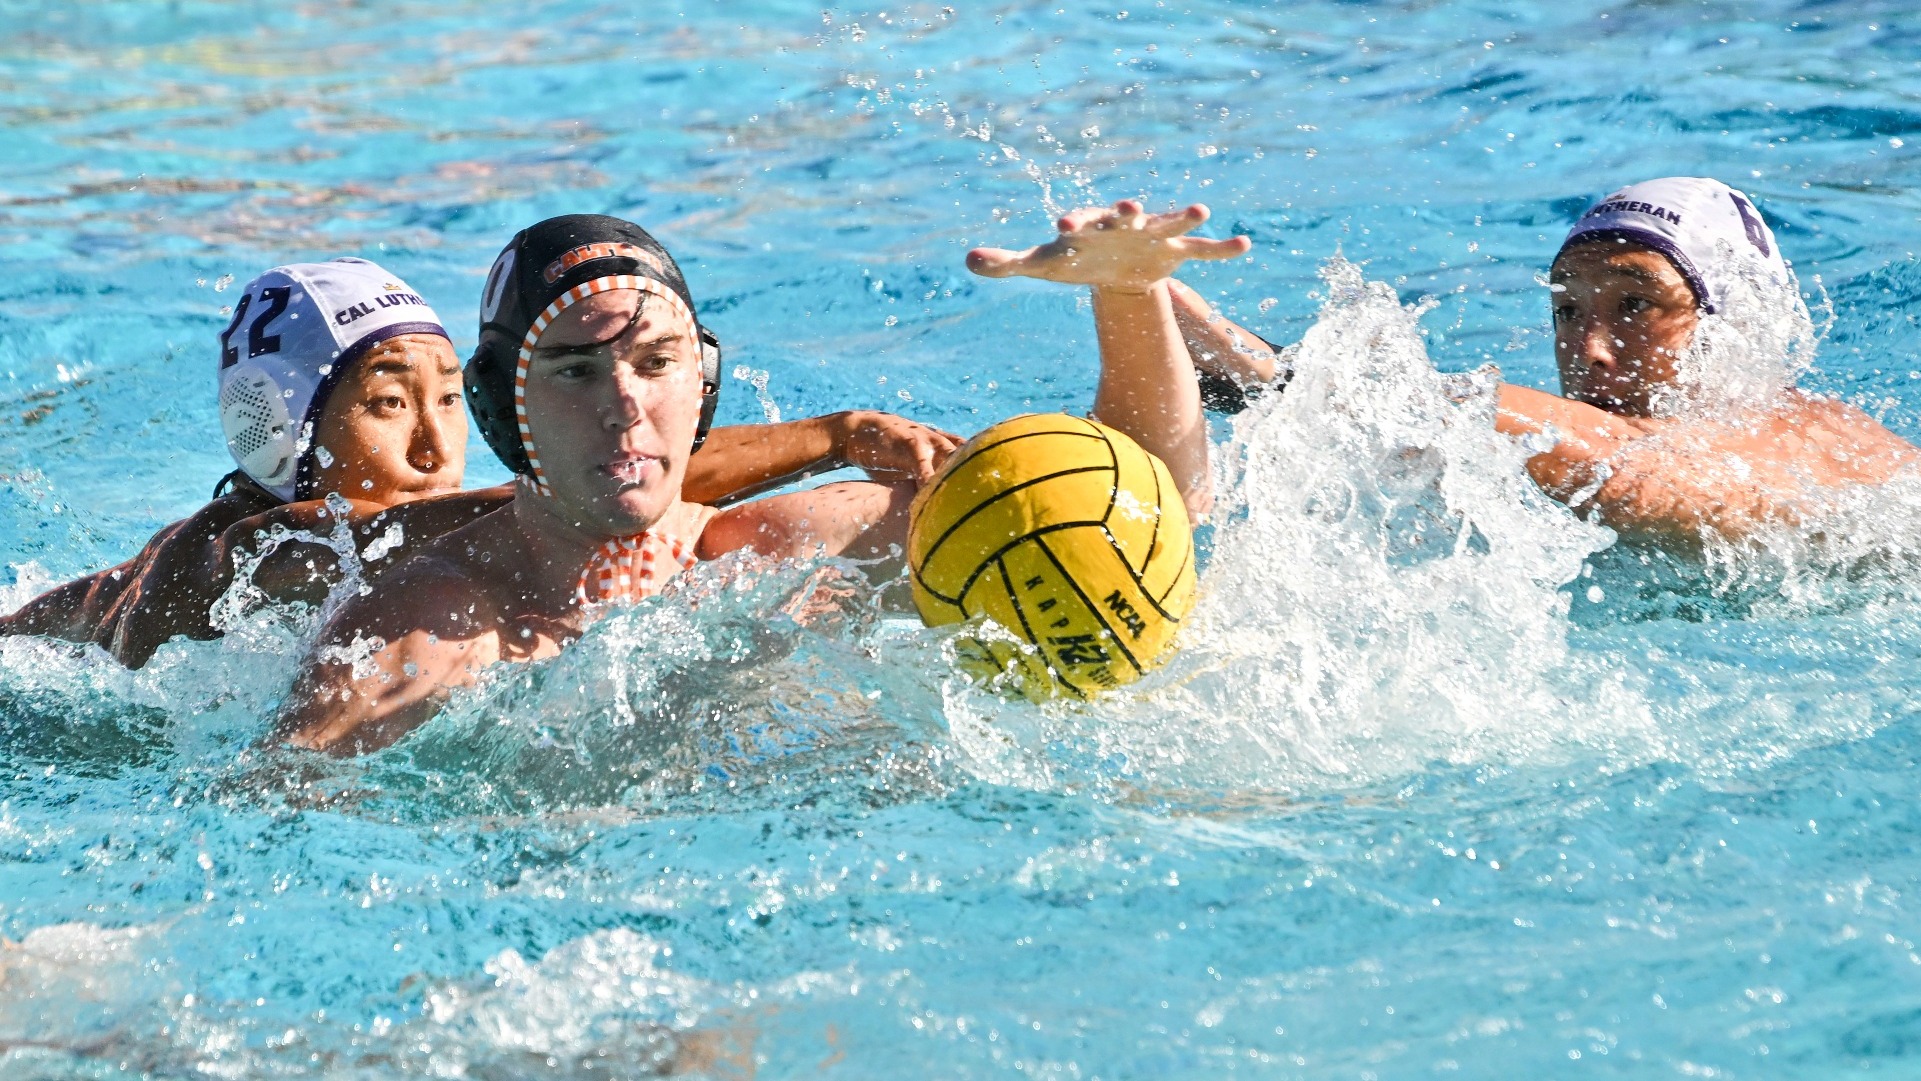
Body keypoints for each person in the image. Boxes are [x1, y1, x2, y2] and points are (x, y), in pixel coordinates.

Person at [274, 203, 1249, 754]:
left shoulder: (805, 544)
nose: (625, 404)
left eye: (656, 364)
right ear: (497, 407)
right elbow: (266, 826)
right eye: (575, 370)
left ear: (703, 381)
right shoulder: (428, 630)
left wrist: (1131, 297)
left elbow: (1141, 513)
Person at [2, 258, 959, 667]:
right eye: (386, 402)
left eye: (452, 398)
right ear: (274, 430)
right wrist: (828, 437)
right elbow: (563, 490)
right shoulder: (255, 551)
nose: (433, 442)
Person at [1195, 176, 1920, 547]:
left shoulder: (1795, 437)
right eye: (1567, 311)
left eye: (1635, 305)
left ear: (1734, 324)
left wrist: (1286, 380)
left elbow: (1620, 461)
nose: (1590, 351)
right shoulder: (1556, 458)